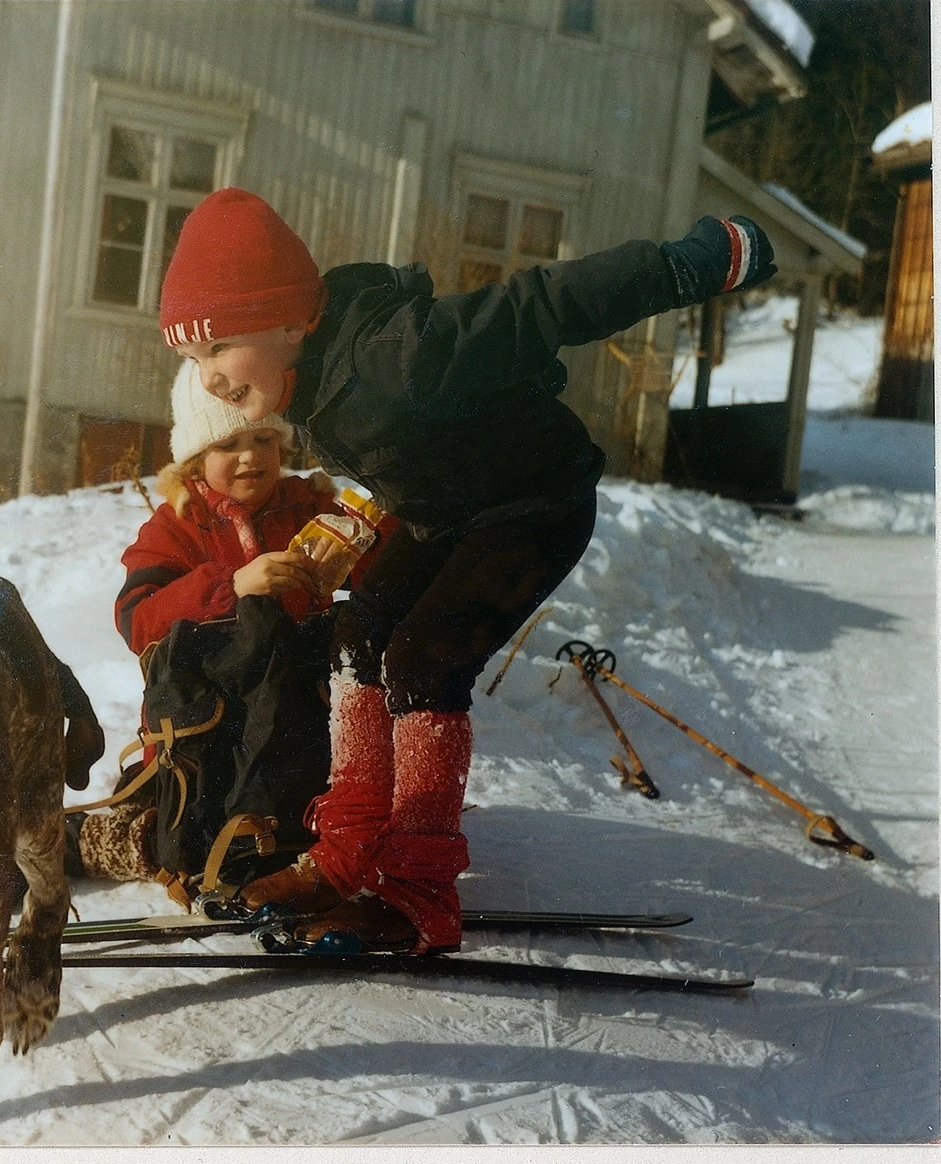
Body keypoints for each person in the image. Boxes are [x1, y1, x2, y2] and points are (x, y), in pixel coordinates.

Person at [158, 186, 777, 953]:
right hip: (447, 515)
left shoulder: (399, 354)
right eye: (191, 357)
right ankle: (349, 846)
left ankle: (417, 890)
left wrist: (686, 266)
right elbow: (401, 455)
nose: (207, 376)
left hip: (532, 507)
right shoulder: (306, 380)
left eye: (216, 347)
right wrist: (359, 519)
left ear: (289, 320)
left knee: (423, 658)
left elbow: (540, 303)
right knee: (355, 630)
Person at [70, 359, 388, 890]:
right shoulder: (177, 524)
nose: (251, 457)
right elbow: (137, 620)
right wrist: (232, 585)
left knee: (290, 824)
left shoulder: (307, 508)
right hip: (203, 738)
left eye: (265, 440)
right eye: (228, 445)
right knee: (180, 840)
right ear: (195, 458)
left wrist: (358, 543)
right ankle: (84, 842)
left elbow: (382, 563)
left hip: (294, 729)